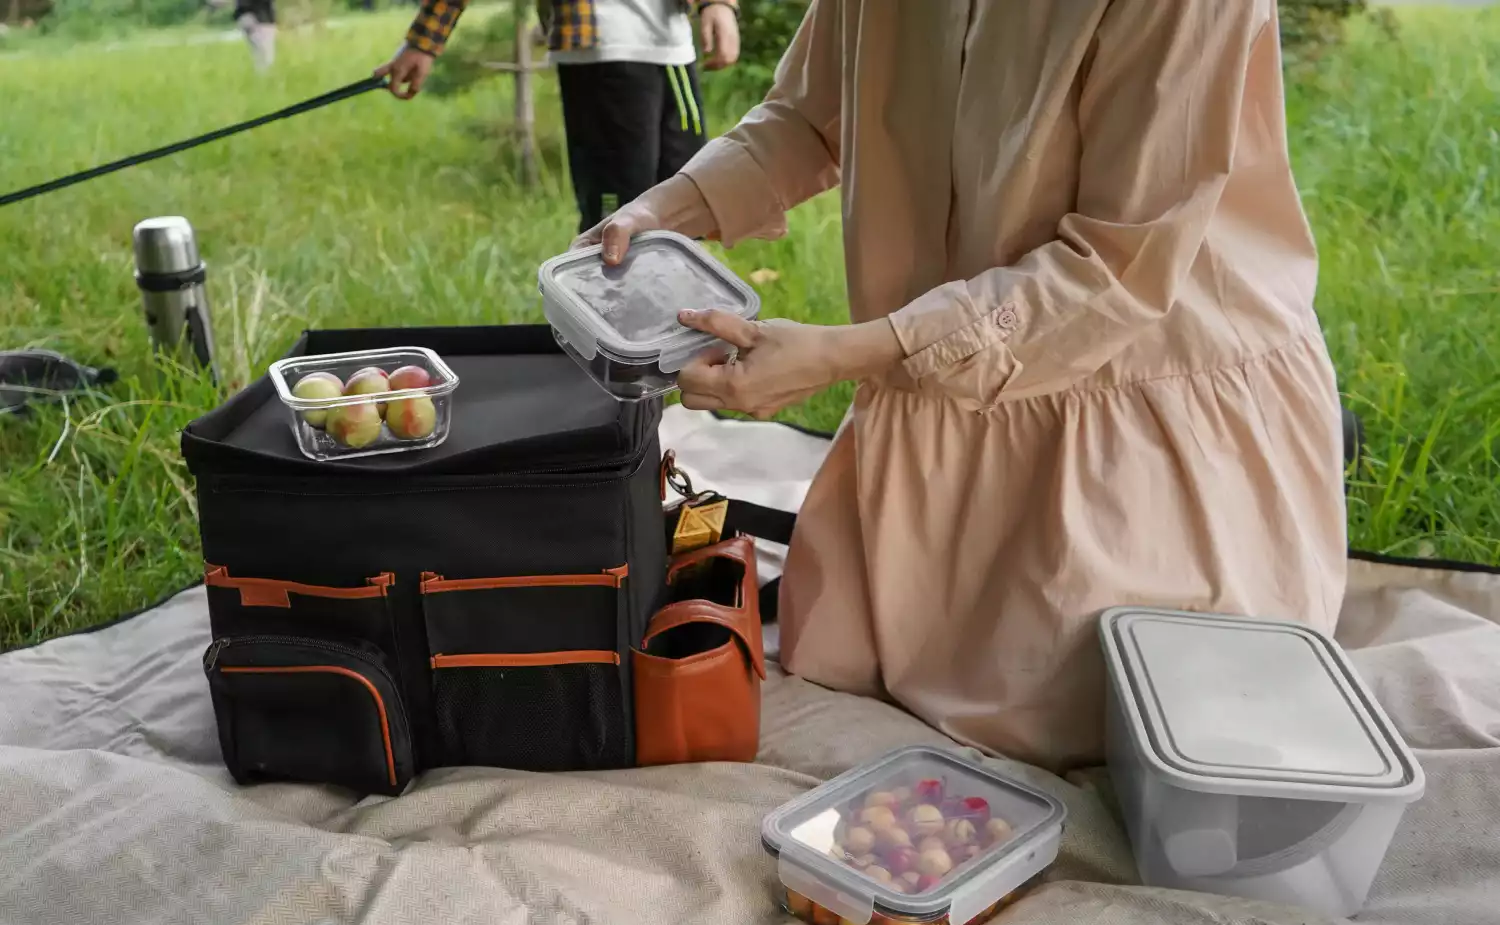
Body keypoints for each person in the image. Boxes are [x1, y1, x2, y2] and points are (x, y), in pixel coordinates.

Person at [583, 0, 1348, 771]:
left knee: (1114, 710)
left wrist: (851, 352)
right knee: (853, 651)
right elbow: (810, 118)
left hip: (1133, 389)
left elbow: (1115, 269)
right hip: (937, 378)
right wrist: (668, 207)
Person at [376, 0, 741, 233]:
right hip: (601, 50)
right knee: (618, 219)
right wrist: (424, 41)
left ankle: (678, 333)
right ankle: (617, 341)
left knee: (687, 210)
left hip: (674, 48)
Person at [233, 0, 277, 71]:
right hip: (262, 18)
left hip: (246, 16)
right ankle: (263, 77)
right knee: (266, 58)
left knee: (260, 55)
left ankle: (261, 76)